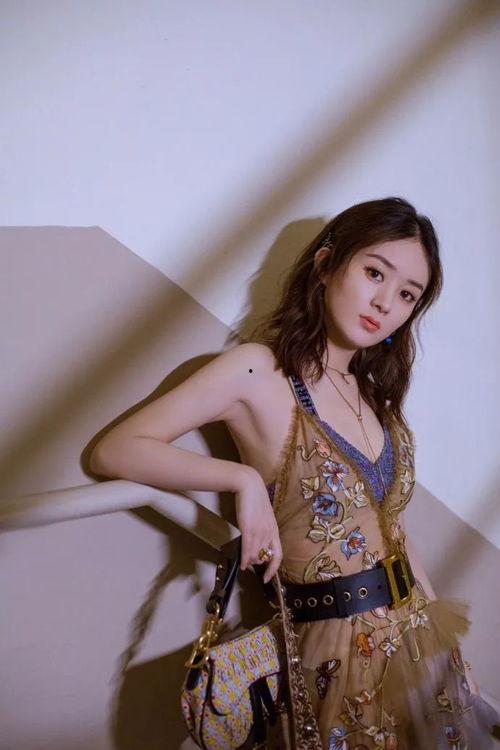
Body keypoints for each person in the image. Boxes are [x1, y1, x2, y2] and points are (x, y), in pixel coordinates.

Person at [90, 196, 499, 749]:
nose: (385, 303)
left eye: (407, 294)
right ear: (326, 265)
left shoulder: (373, 395)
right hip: (335, 654)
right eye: (374, 272)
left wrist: (448, 652)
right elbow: (116, 450)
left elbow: (394, 534)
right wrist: (242, 481)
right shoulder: (259, 371)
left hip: (414, 639)